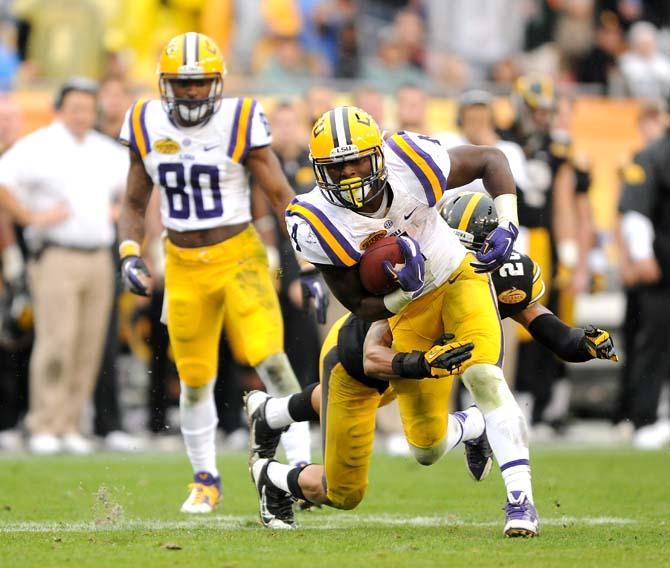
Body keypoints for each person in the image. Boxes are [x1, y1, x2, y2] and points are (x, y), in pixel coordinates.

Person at [245, 191, 617, 529]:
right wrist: (422, 364)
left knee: (428, 450)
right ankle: (271, 473)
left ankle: (476, 429)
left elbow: (542, 324)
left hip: (426, 361)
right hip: (362, 364)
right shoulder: (409, 271)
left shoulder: (493, 274)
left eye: (471, 254)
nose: (458, 265)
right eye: (455, 251)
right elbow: (374, 358)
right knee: (342, 491)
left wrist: (578, 342)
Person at [261, 105, 539, 537]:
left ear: (378, 153)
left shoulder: (409, 161)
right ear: (318, 171)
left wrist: (508, 224)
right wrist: (402, 292)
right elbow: (357, 303)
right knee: (423, 451)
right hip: (403, 311)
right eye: (338, 166)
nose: (351, 174)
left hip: (455, 276)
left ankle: (520, 501)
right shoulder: (315, 219)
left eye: (357, 160)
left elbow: (491, 160)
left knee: (484, 375)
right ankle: (275, 475)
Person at [116, 32, 311, 514]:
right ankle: (205, 479)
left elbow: (283, 196)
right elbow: (135, 202)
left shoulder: (240, 119)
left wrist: (307, 264)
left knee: (271, 360)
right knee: (196, 378)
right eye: (180, 85)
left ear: (217, 82)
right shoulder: (144, 120)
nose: (189, 93)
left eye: (200, 83)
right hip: (182, 264)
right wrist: (128, 253)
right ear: (165, 85)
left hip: (239, 255)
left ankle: (301, 471)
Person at [0, 77, 127, 455]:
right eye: (75, 107)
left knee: (89, 345)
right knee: (57, 341)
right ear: (60, 108)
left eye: (88, 108)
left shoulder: (106, 150)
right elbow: (3, 181)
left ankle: (71, 423)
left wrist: (117, 213)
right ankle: (44, 422)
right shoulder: (38, 146)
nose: (82, 115)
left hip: (99, 256)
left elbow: (136, 189)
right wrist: (31, 217)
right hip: (56, 254)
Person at [617, 103, 670, 449]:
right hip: (664, 265)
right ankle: (644, 419)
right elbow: (635, 210)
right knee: (654, 343)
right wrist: (642, 255)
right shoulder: (651, 155)